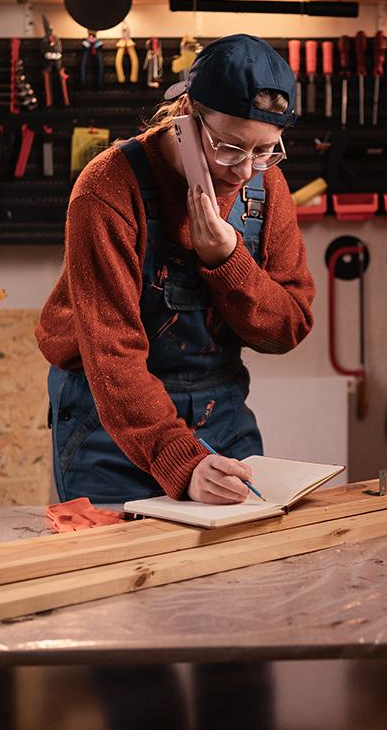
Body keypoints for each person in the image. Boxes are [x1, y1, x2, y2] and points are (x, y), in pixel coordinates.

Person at [36, 34, 315, 507]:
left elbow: (287, 327)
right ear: (186, 115)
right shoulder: (106, 190)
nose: (245, 170)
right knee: (119, 571)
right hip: (109, 414)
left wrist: (228, 263)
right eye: (229, 148)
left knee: (240, 568)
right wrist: (180, 460)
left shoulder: (266, 187)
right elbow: (112, 354)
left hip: (220, 407)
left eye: (266, 150)